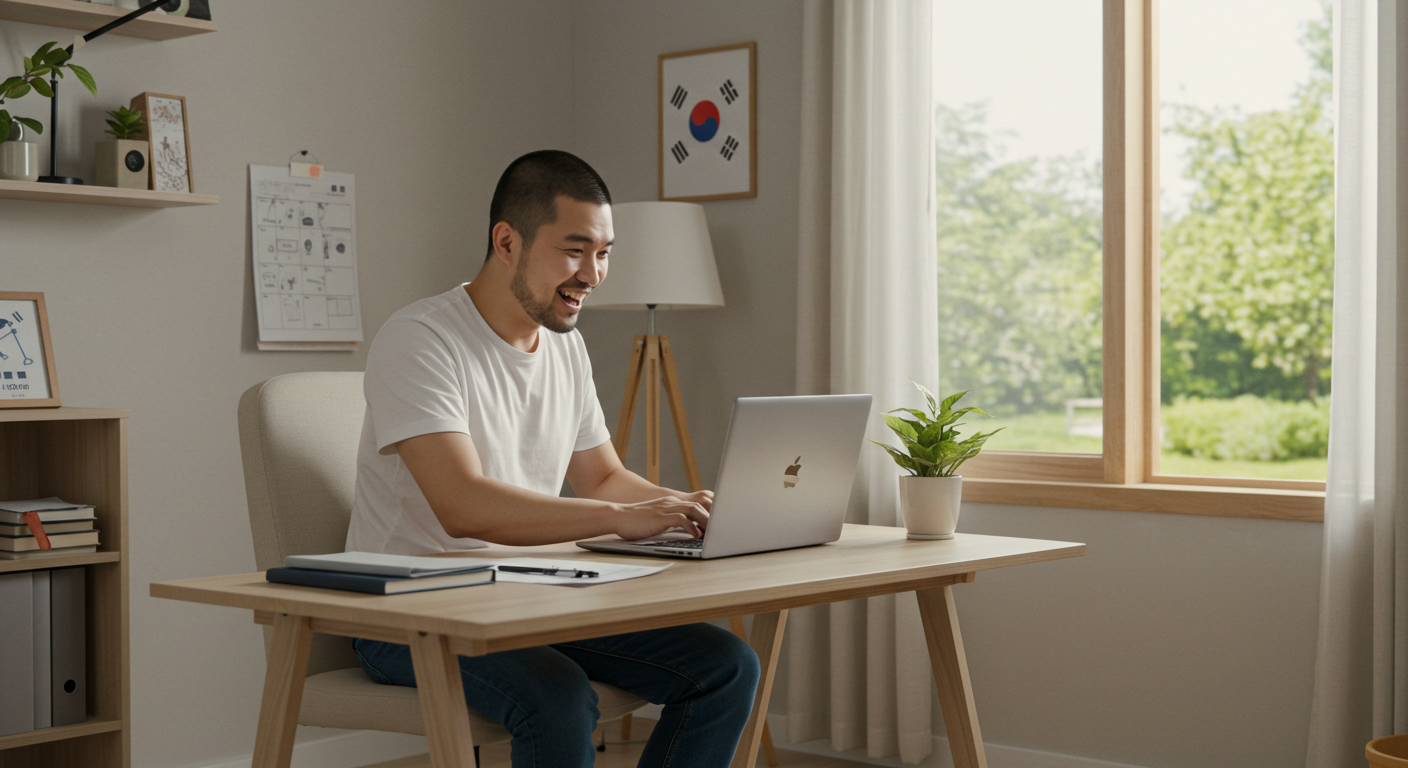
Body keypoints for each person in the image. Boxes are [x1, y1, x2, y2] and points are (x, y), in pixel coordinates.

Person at [345, 149, 760, 768]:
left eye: (604, 252)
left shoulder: (566, 347)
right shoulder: (420, 340)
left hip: (528, 595)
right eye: (574, 250)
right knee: (557, 696)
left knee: (726, 665)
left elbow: (602, 476)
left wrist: (685, 508)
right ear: (506, 242)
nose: (593, 274)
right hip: (409, 611)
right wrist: (620, 519)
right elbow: (462, 505)